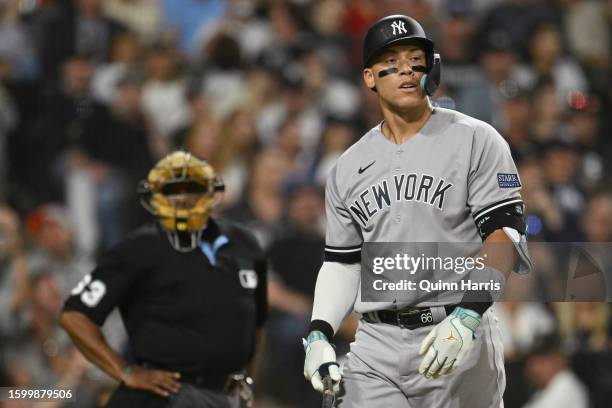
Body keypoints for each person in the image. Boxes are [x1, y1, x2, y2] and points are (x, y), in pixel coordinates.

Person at [302, 15, 532, 407]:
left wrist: (468, 317)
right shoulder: (347, 167)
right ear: (370, 77)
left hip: (457, 332)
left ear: (432, 68)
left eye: (416, 58)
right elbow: (342, 262)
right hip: (376, 342)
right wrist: (320, 332)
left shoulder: (476, 139)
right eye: (392, 60)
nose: (407, 68)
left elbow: (504, 236)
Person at [59, 151, 268, 408]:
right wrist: (125, 372)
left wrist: (248, 380)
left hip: (224, 397)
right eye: (171, 190)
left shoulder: (244, 243)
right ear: (155, 195)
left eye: (191, 188)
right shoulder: (137, 248)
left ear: (210, 192)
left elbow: (257, 323)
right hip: (162, 396)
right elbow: (75, 316)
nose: (181, 198)